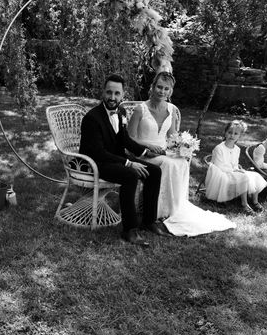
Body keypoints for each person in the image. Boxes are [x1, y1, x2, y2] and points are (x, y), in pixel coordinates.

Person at [128, 71, 235, 236]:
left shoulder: (171, 110)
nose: (161, 91)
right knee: (169, 163)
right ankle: (157, 211)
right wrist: (149, 146)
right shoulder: (140, 110)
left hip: (163, 151)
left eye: (166, 89)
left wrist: (183, 146)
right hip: (142, 152)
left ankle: (173, 208)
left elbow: (172, 137)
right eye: (159, 87)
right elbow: (130, 138)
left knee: (182, 162)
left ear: (170, 91)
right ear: (152, 87)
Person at [79, 73, 169, 246]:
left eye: (117, 93)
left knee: (154, 171)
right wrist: (128, 163)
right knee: (130, 175)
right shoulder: (91, 118)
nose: (112, 97)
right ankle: (130, 230)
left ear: (122, 94)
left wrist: (144, 152)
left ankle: (149, 221)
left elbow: (124, 139)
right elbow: (98, 153)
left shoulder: (120, 112)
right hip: (96, 163)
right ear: (103, 92)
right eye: (109, 92)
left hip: (115, 158)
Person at [207, 120, 267, 213]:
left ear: (239, 136)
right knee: (243, 177)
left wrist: (237, 169)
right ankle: (244, 204)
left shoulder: (237, 149)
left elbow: (235, 164)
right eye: (229, 132)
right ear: (225, 133)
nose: (232, 136)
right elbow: (219, 166)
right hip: (221, 173)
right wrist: (234, 171)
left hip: (232, 171)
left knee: (255, 175)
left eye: (235, 134)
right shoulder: (219, 148)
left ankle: (255, 202)